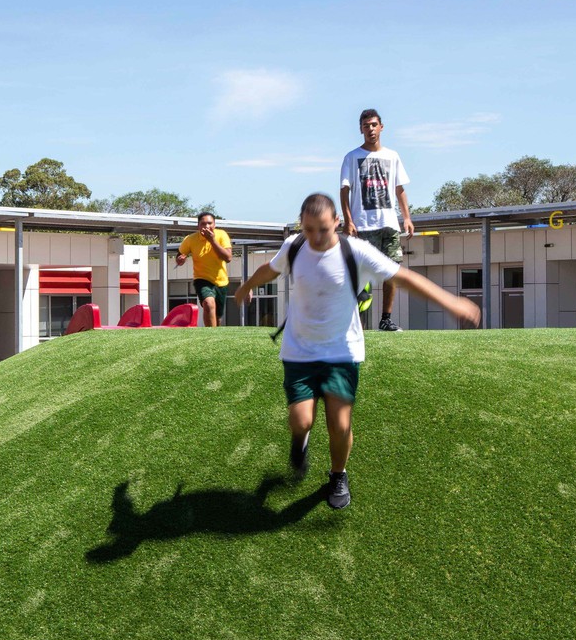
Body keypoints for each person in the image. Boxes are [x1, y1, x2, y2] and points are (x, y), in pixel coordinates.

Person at [231, 193, 480, 509]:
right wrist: (245, 286)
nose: (316, 237)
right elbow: (271, 268)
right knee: (300, 420)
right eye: (309, 230)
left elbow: (402, 277)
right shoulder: (294, 246)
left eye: (323, 229)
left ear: (336, 222)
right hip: (300, 351)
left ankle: (338, 475)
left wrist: (451, 302)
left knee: (340, 423)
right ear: (301, 225)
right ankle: (300, 440)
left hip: (341, 351)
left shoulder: (356, 251)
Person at [339, 109, 415, 331]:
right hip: (363, 224)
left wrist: (407, 218)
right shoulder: (351, 157)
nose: (370, 129)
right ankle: (356, 322)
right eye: (366, 125)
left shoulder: (392, 156)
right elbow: (345, 190)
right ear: (361, 129)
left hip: (389, 223)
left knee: (393, 270)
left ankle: (385, 319)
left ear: (381, 126)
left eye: (374, 125)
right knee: (361, 275)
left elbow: (399, 189)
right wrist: (348, 220)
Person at [173, 211, 232, 327]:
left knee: (217, 316)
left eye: (209, 223)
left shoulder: (222, 235)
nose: (206, 226)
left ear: (214, 225)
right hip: (202, 279)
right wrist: (180, 260)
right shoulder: (190, 239)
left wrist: (212, 240)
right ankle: (210, 337)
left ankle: (216, 335)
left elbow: (228, 257)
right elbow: (179, 256)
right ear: (198, 226)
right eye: (203, 224)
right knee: (208, 304)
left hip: (221, 281)